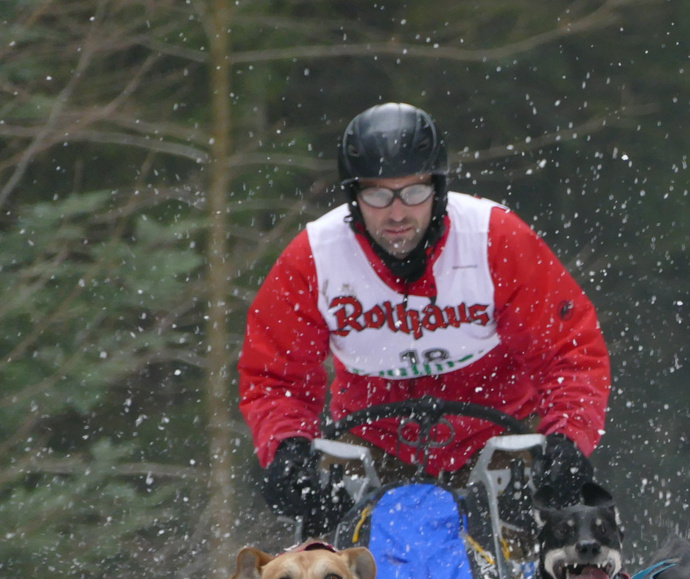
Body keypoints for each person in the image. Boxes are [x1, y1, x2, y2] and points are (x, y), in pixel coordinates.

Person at [238, 102, 611, 532]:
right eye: (377, 195)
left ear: (439, 189)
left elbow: (570, 352)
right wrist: (288, 448)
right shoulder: (315, 259)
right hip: (373, 444)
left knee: (558, 555)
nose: (397, 213)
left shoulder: (495, 240)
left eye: (413, 193)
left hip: (496, 441)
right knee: (330, 567)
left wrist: (567, 438)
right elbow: (275, 376)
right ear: (353, 198)